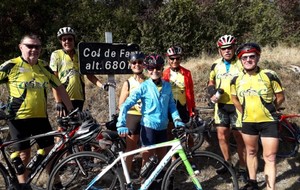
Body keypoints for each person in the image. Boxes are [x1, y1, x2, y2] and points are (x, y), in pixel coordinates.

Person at [0, 34, 73, 190]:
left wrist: (71, 110)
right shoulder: (11, 65)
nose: (34, 49)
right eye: (30, 46)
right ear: (21, 47)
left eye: (37, 47)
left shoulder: (44, 66)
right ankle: (22, 186)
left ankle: (56, 184)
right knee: (24, 156)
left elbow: (59, 87)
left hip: (41, 118)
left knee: (50, 154)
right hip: (18, 119)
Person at [116, 54, 185, 170]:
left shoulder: (167, 86)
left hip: (163, 127)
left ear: (162, 69)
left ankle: (161, 183)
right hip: (148, 127)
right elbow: (125, 104)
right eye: (151, 68)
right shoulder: (144, 86)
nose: (154, 71)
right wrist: (121, 123)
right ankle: (144, 184)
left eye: (158, 68)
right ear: (147, 70)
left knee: (162, 160)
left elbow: (171, 106)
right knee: (148, 160)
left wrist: (177, 119)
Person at [231, 43, 285, 190]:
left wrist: (272, 108)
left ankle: (270, 188)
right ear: (240, 60)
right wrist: (243, 111)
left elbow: (280, 96)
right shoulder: (236, 79)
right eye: (244, 58)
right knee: (251, 152)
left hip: (268, 121)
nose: (248, 60)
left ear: (258, 57)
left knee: (270, 157)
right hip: (248, 121)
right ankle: (252, 182)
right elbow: (234, 98)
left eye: (252, 56)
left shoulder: (269, 75)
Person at [207, 35, 247, 181]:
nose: (227, 51)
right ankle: (228, 164)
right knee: (222, 136)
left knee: (239, 137)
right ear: (219, 50)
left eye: (230, 47)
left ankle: (243, 168)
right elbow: (210, 81)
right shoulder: (215, 65)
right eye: (224, 48)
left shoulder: (242, 63)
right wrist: (212, 92)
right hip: (221, 106)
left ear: (235, 48)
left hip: (238, 106)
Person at [50, 26, 113, 116]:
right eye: (64, 39)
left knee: (77, 126)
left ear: (74, 40)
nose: (67, 42)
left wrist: (102, 86)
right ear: (61, 41)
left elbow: (90, 75)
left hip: (79, 97)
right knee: (63, 127)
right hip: (64, 98)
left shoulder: (80, 55)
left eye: (70, 39)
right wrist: (58, 101)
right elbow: (53, 79)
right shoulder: (56, 54)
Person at [118, 51, 147, 174]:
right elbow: (121, 104)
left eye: (140, 62)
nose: (137, 65)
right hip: (133, 118)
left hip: (147, 118)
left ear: (144, 64)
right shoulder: (128, 83)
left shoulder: (149, 81)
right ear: (130, 65)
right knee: (130, 149)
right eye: (134, 63)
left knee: (146, 149)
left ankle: (145, 177)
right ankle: (125, 179)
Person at [162, 46, 196, 145]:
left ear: (180, 59)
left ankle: (191, 154)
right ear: (168, 59)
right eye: (172, 58)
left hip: (183, 106)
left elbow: (191, 91)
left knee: (188, 133)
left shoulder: (186, 73)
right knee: (170, 132)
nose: (175, 61)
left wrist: (193, 108)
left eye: (177, 58)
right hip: (169, 107)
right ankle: (174, 158)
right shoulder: (164, 73)